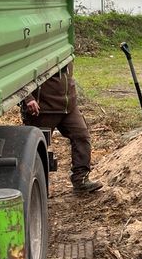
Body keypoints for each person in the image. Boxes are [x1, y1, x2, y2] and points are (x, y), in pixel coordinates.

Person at [22, 63, 102, 193]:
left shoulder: (65, 45)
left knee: (82, 136)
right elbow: (20, 71)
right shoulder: (38, 46)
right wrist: (28, 98)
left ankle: (80, 179)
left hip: (69, 106)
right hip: (43, 108)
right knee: (36, 149)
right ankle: (36, 190)